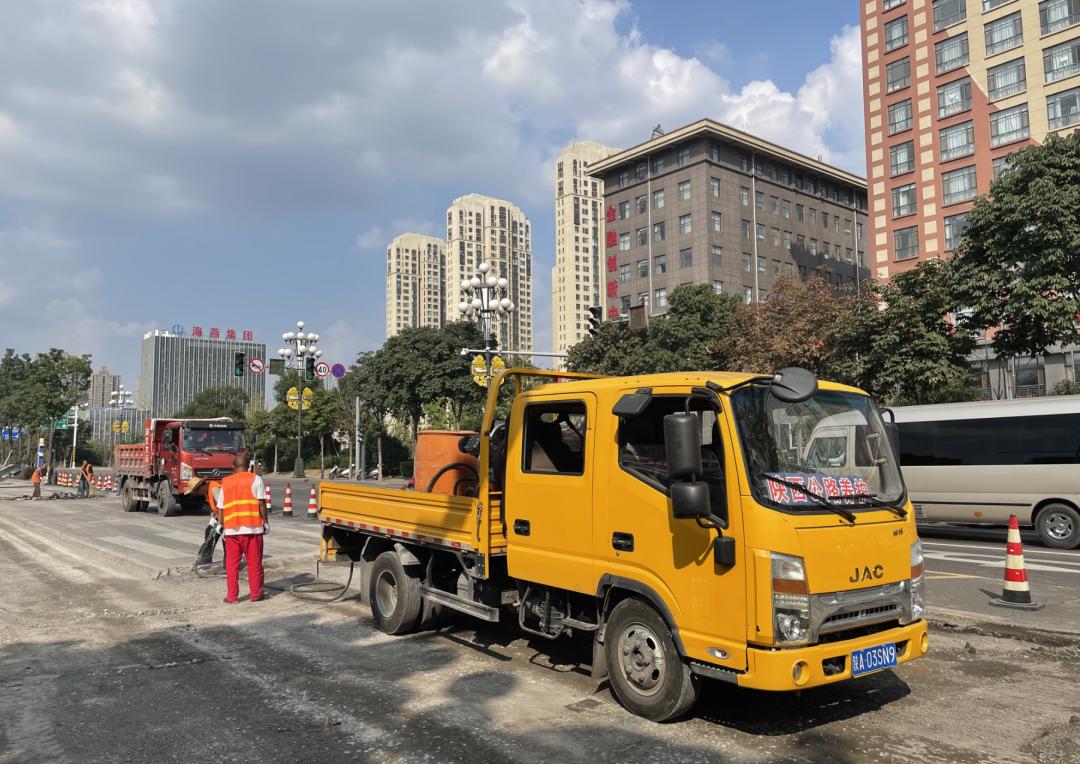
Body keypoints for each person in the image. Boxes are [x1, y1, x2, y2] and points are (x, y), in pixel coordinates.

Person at [217, 454, 267, 603]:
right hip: (253, 530)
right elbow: (262, 503)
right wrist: (266, 522)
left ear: (234, 467)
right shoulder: (256, 479)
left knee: (232, 565)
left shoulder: (226, 482)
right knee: (254, 563)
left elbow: (221, 508)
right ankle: (256, 594)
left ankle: (232, 597)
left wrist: (221, 525)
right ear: (248, 466)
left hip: (232, 531)